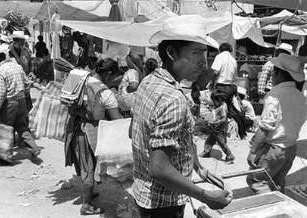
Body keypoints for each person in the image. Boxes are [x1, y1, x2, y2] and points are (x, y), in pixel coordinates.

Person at [131, 38, 232, 217]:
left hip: (143, 193)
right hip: (164, 203)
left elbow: (134, 132)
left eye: (205, 53)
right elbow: (159, 169)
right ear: (171, 53)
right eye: (196, 53)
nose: (204, 62)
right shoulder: (173, 99)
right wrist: (206, 196)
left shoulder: (149, 81)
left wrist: (198, 167)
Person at [64, 69, 123, 215]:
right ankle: (86, 205)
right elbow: (117, 120)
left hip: (74, 127)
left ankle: (88, 194)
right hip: (91, 133)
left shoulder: (82, 80)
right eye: (117, 79)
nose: (117, 83)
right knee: (89, 167)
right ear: (109, 74)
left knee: (85, 163)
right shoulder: (105, 93)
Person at [246, 53, 306, 194]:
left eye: (273, 73)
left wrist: (253, 151)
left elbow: (265, 128)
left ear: (279, 75)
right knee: (277, 182)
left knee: (257, 180)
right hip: (290, 149)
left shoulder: (275, 95)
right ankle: (280, 210)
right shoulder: (300, 96)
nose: (272, 77)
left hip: (273, 149)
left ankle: (271, 212)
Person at [0, 45, 41, 159]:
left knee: (6, 129)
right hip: (22, 102)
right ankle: (34, 149)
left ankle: (6, 156)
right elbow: (26, 84)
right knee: (22, 127)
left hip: (9, 104)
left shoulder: (0, 72)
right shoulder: (17, 67)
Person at [199, 90, 235, 162]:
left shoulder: (222, 107)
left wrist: (214, 123)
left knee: (222, 143)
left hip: (219, 130)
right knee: (209, 141)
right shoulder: (219, 105)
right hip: (215, 129)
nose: (213, 103)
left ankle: (230, 155)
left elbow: (224, 119)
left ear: (219, 100)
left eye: (214, 101)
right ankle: (206, 152)